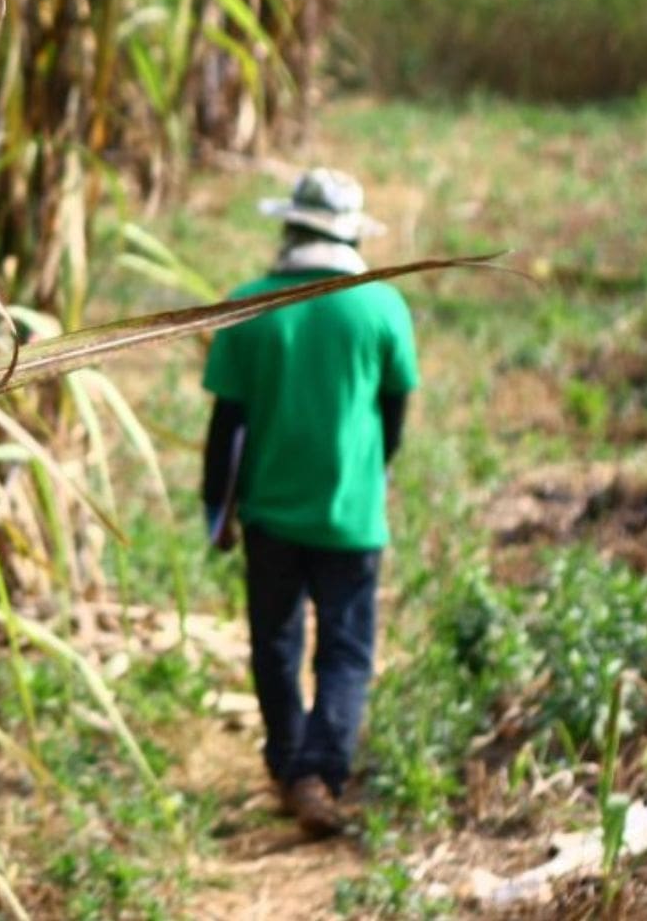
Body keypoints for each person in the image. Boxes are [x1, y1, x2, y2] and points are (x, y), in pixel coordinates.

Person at [200, 168, 418, 838]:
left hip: (270, 514)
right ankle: (320, 772)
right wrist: (374, 471)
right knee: (346, 650)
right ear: (351, 233)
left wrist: (219, 515)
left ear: (290, 227)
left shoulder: (248, 308)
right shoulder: (380, 306)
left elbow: (226, 430)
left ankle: (291, 763)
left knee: (275, 641)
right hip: (351, 517)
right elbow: (395, 404)